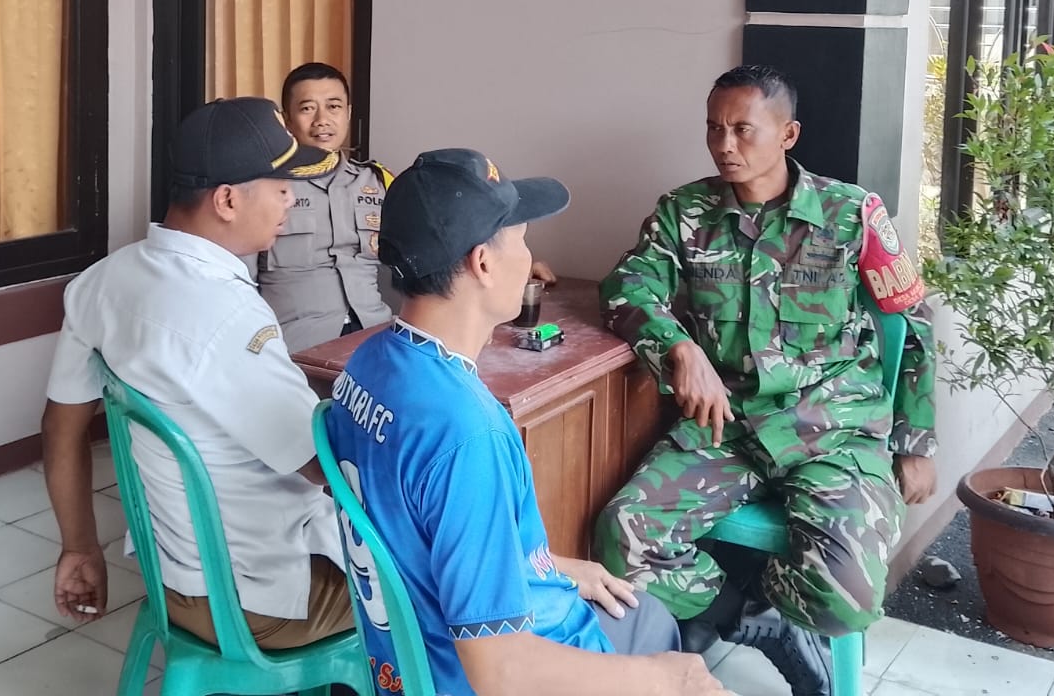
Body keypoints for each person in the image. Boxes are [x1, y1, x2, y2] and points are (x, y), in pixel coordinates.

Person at [326, 148, 730, 696]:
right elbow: (500, 670)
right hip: (471, 674)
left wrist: (546, 567)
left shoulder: (369, 363)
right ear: (483, 263)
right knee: (654, 628)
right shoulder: (468, 432)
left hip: (404, 660)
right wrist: (665, 679)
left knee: (633, 607)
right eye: (520, 238)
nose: (529, 256)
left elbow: (425, 530)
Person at [595, 65, 938, 696]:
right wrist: (679, 348)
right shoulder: (684, 212)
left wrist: (915, 443)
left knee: (848, 596)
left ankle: (767, 603)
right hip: (726, 426)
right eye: (714, 128)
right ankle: (753, 621)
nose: (724, 144)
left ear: (787, 134)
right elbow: (626, 287)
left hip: (833, 429)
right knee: (622, 537)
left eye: (742, 129)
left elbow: (912, 322)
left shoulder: (851, 213)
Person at [40, 97, 356, 649]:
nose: (292, 199)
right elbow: (325, 464)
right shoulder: (227, 314)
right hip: (259, 598)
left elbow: (60, 428)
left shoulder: (102, 281)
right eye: (281, 187)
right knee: (444, 574)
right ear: (228, 200)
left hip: (172, 576)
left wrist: (80, 546)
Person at [261, 62, 555, 352]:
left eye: (333, 107)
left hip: (374, 335)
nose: (322, 120)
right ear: (287, 120)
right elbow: (240, 280)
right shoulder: (265, 190)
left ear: (348, 113)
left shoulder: (378, 182)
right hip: (296, 346)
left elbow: (445, 240)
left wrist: (512, 262)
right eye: (307, 108)